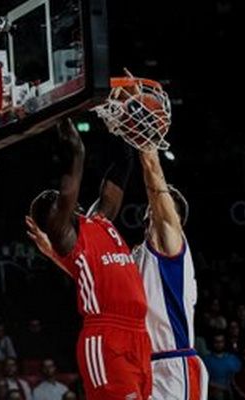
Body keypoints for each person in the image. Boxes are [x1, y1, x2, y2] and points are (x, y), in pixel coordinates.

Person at [26, 119, 151, 400]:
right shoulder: (65, 237)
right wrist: (64, 115)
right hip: (105, 336)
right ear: (53, 220)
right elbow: (75, 156)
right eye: (56, 201)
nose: (63, 199)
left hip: (138, 334)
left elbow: (123, 164)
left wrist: (119, 121)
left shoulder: (100, 220)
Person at [132, 149, 209, 399]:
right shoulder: (135, 255)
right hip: (144, 363)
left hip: (175, 363)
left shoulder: (172, 245)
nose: (156, 206)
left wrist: (148, 150)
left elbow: (155, 184)